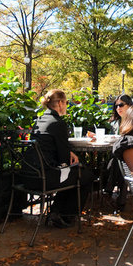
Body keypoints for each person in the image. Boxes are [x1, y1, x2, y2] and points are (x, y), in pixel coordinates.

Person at [24, 89, 93, 228]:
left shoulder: (40, 120)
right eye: (66, 102)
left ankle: (57, 212)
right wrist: (69, 154)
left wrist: (69, 152)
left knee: (74, 173)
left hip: (29, 176)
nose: (66, 105)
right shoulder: (58, 122)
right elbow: (63, 159)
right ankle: (66, 216)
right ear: (61, 103)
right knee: (86, 175)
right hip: (46, 178)